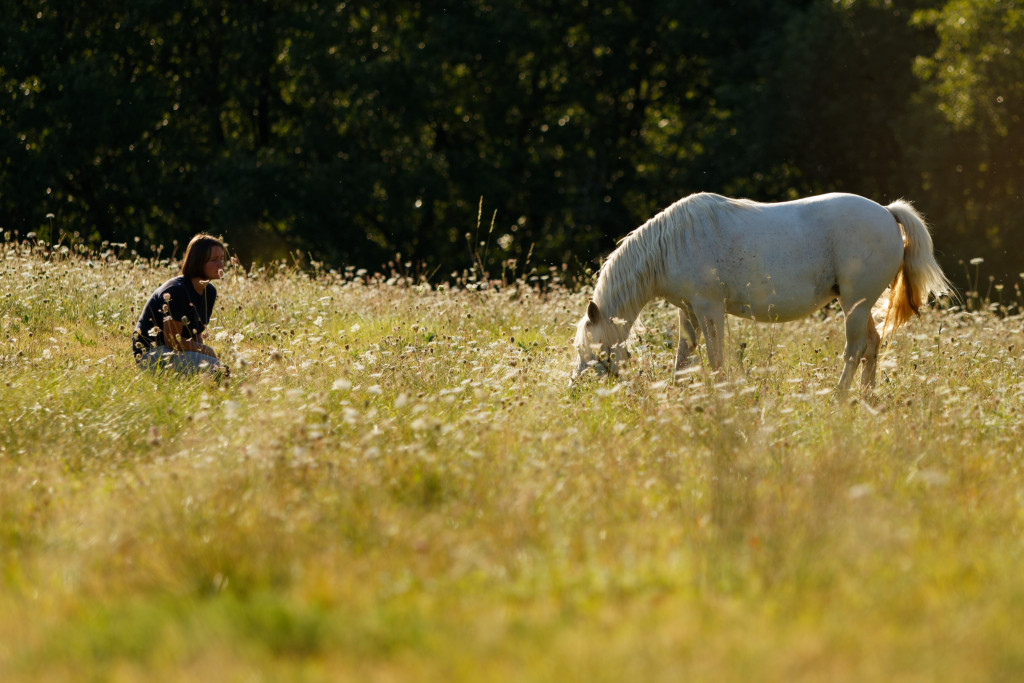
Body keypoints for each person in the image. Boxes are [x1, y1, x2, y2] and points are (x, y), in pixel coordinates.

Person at [132, 233, 228, 375]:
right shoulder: (176, 291)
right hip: (152, 353)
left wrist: (204, 354)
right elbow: (172, 341)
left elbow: (195, 333)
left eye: (221, 259)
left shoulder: (209, 292)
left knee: (220, 369)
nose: (220, 264)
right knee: (218, 370)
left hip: (176, 351)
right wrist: (206, 351)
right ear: (198, 261)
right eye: (214, 260)